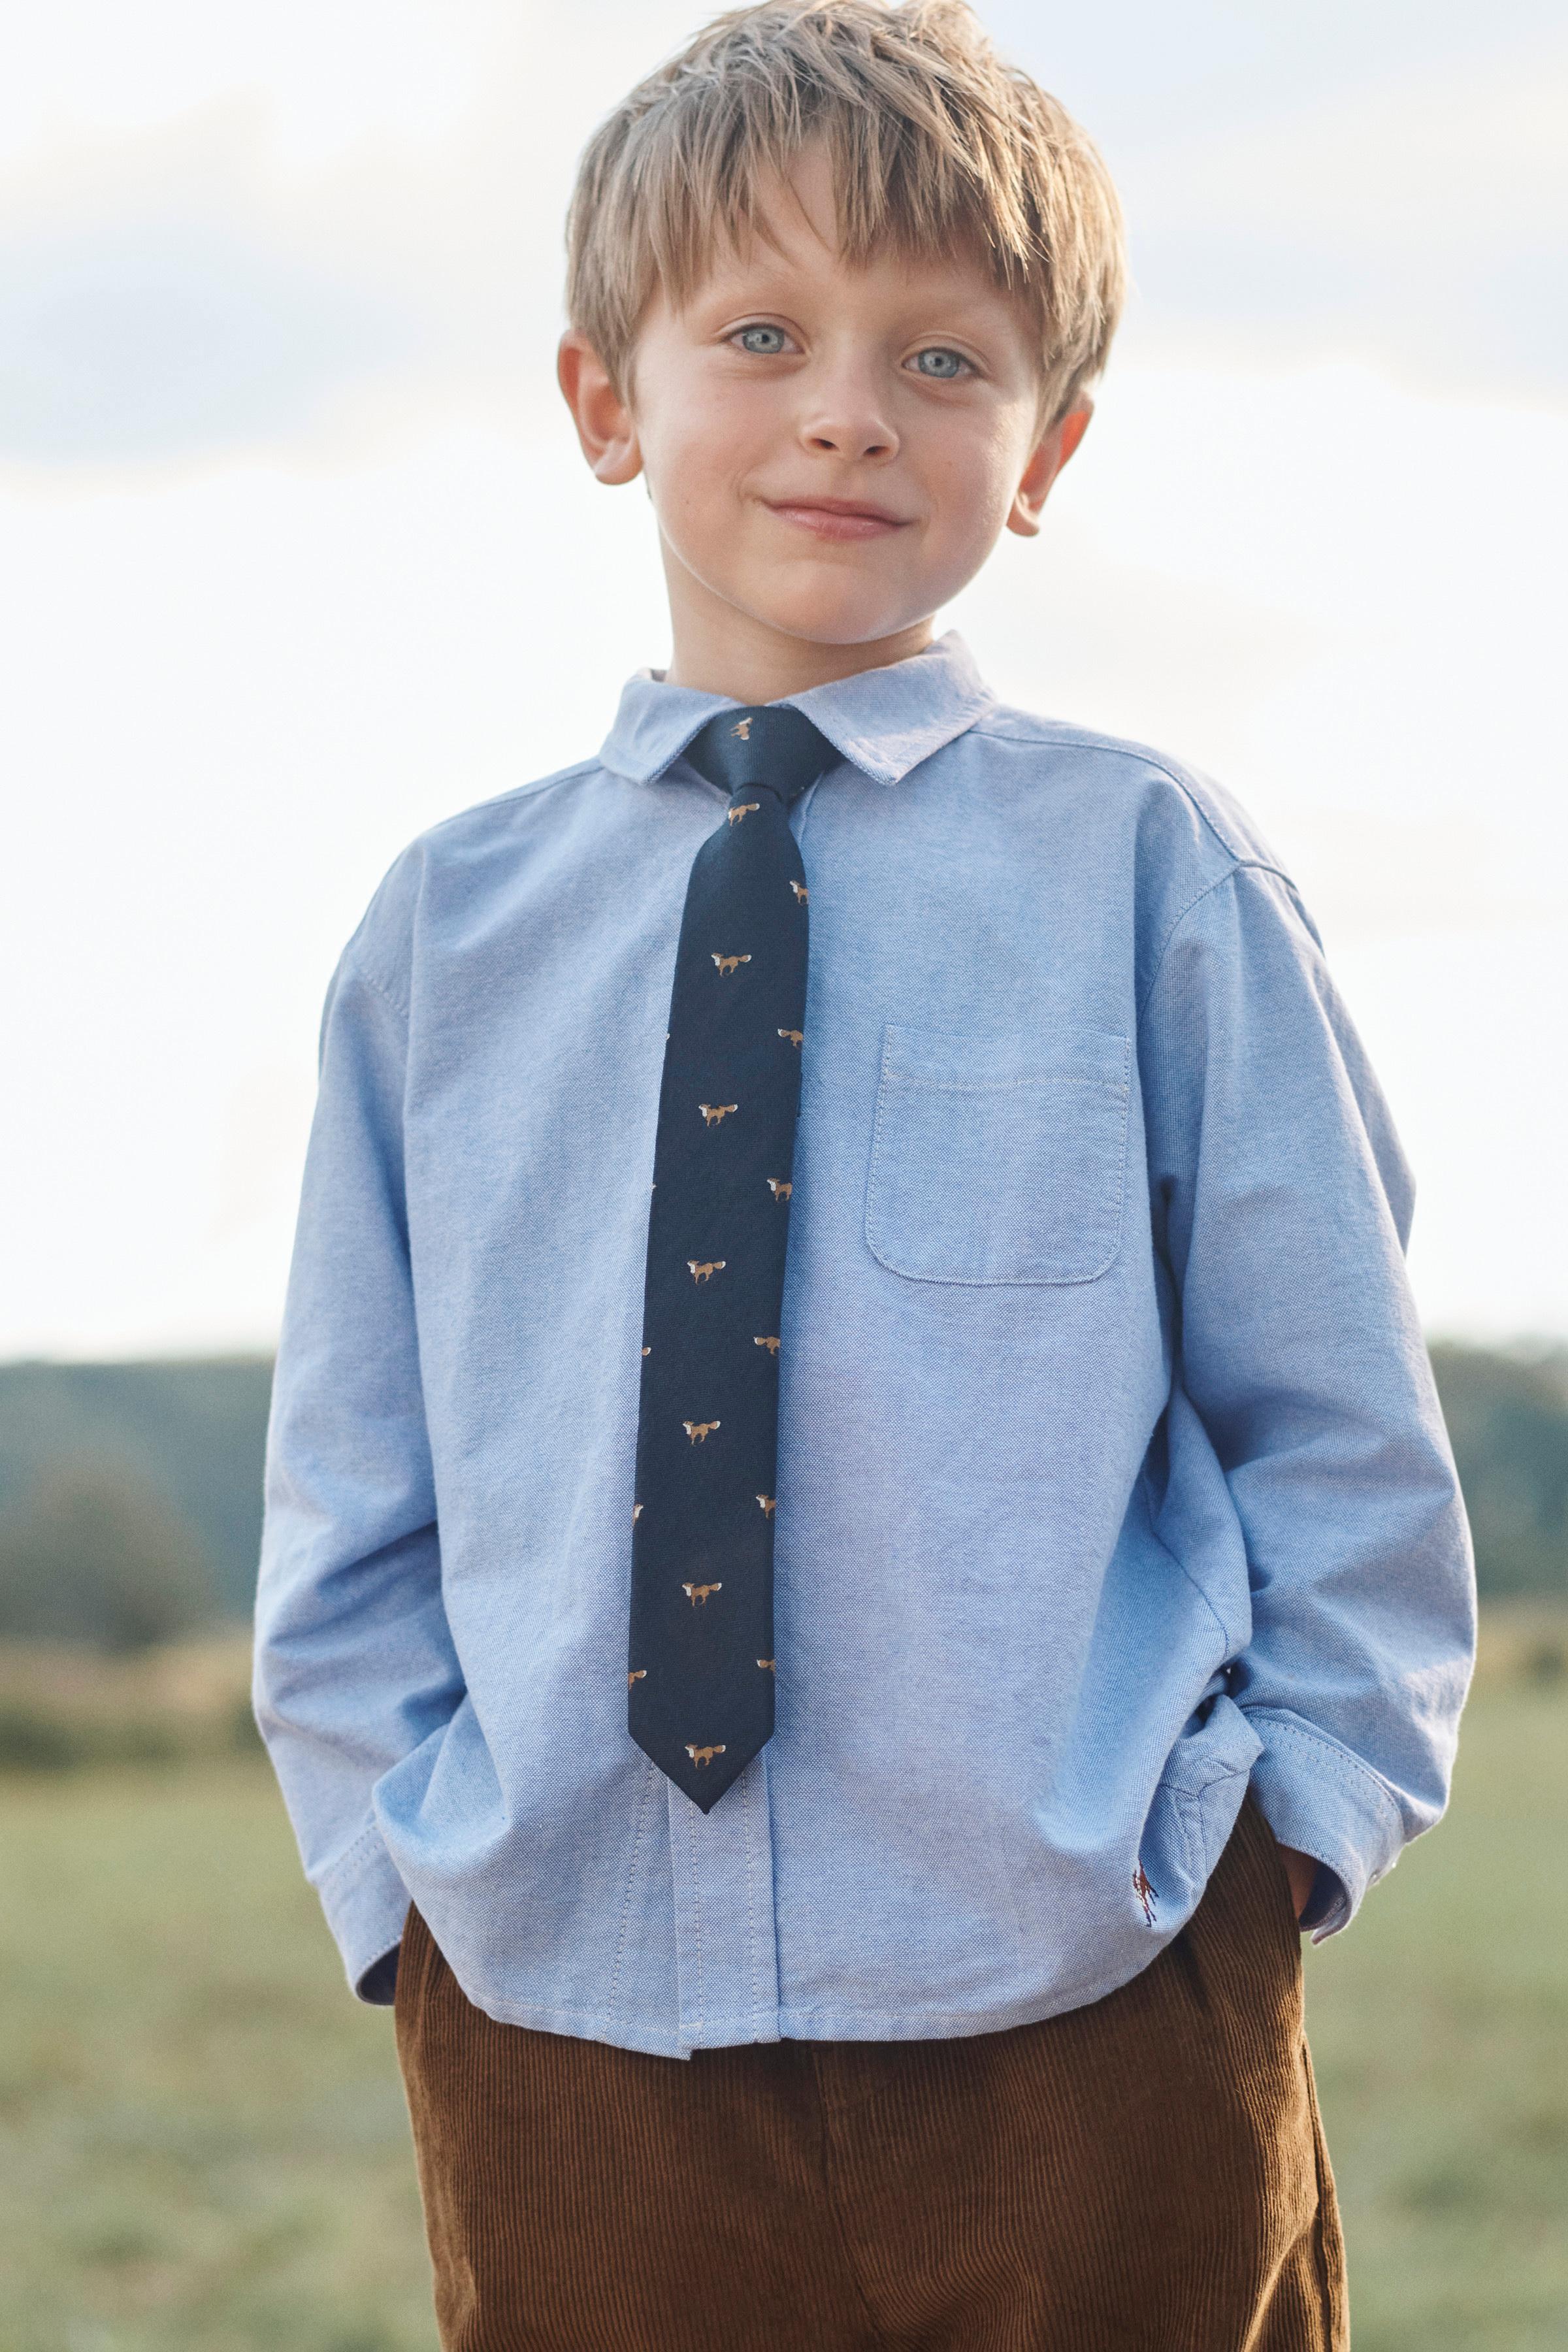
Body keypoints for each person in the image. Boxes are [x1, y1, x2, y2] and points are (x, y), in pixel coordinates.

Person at [252, 4, 1475, 2345]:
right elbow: (355, 1471)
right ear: (606, 403)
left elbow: (1333, 1414)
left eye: (944, 358)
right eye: (760, 333)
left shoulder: (1150, 868)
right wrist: (396, 1887)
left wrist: (1281, 1846)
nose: (847, 409)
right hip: (556, 2005)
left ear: (1049, 451)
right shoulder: (445, 933)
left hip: (1086, 1986)